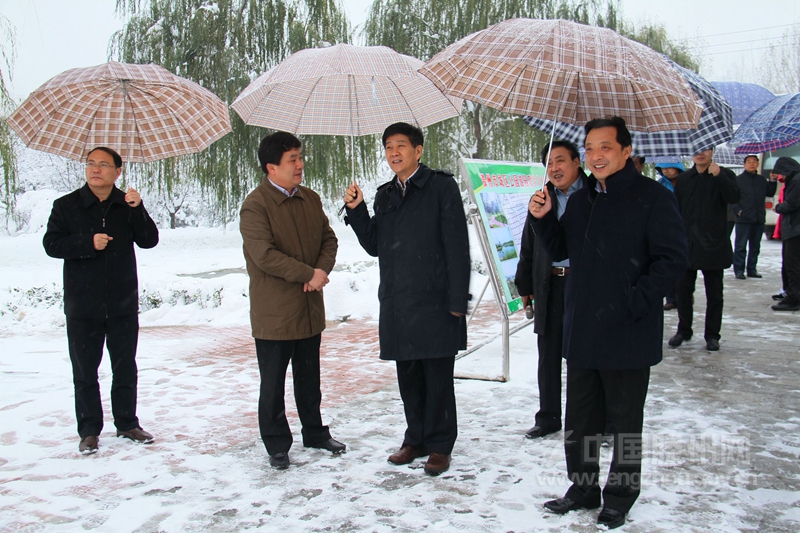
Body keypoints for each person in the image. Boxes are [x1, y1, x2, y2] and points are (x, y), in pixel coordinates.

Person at [528, 117, 687, 530]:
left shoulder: (653, 197)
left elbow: (672, 260)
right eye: (590, 149)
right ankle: (583, 488)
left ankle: (620, 495)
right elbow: (561, 249)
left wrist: (634, 301)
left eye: (605, 147)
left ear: (626, 152)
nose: (596, 156)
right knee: (581, 420)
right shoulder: (583, 200)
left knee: (625, 424)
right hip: (584, 329)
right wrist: (543, 218)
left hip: (628, 331)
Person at [343, 122, 470, 476]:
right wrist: (357, 210)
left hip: (435, 301)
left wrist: (457, 301)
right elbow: (375, 245)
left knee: (437, 379)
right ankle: (415, 439)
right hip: (398, 304)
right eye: (388, 147)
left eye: (401, 145)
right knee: (409, 379)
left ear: (418, 150)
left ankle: (440, 444)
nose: (394, 152)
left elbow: (457, 247)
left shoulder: (441, 187)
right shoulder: (385, 195)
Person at [43, 147, 159, 455]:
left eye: (104, 165)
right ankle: (89, 430)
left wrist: (138, 208)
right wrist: (87, 243)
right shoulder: (66, 205)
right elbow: (51, 244)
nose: (96, 169)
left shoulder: (126, 204)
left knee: (125, 367)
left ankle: (127, 423)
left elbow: (149, 240)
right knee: (85, 371)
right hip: (83, 304)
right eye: (91, 164)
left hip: (122, 302)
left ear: (117, 172)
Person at [239, 132, 345, 470]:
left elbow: (329, 239)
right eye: (292, 160)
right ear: (271, 167)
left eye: (300, 157)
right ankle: (276, 443)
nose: (300, 165)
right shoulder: (255, 205)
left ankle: (314, 432)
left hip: (309, 307)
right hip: (275, 312)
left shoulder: (310, 198)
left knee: (309, 378)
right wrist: (307, 274)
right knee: (272, 383)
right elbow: (264, 255)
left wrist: (321, 270)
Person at [514, 140, 587, 440]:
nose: (554, 168)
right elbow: (528, 244)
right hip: (550, 283)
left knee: (586, 354)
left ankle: (590, 418)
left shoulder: (595, 194)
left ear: (577, 162)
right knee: (548, 353)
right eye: (549, 163)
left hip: (584, 284)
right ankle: (548, 417)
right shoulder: (542, 198)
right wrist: (525, 285)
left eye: (560, 160)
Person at [670, 149, 740, 351]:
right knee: (683, 291)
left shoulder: (724, 174)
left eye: (705, 149)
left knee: (714, 294)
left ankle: (712, 335)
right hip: (688, 244)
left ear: (712, 151)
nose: (700, 154)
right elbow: (676, 208)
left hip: (713, 244)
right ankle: (684, 330)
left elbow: (734, 196)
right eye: (696, 150)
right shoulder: (685, 178)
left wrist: (719, 176)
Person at [730, 155, 778, 279]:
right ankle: (739, 270)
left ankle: (752, 269)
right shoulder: (738, 180)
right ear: (744, 165)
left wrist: (772, 181)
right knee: (741, 246)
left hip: (758, 218)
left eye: (754, 162)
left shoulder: (761, 180)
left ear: (757, 164)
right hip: (744, 218)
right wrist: (738, 211)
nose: (752, 164)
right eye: (749, 162)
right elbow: (732, 198)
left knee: (755, 246)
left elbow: (770, 193)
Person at [771, 157, 800, 311]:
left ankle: (794, 298)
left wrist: (778, 207)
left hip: (795, 228)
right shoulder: (794, 179)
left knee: (792, 265)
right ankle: (792, 294)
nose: (780, 176)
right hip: (793, 228)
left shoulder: (796, 181)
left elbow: (792, 204)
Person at [655, 162, 685, 310]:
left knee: (683, 264)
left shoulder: (686, 182)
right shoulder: (660, 184)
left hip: (685, 226)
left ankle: (684, 296)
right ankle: (671, 298)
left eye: (668, 167)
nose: (665, 170)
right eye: (662, 168)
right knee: (668, 263)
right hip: (665, 227)